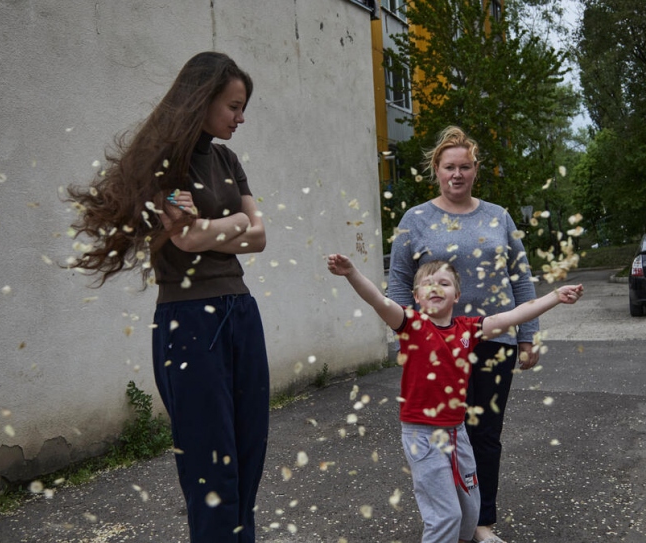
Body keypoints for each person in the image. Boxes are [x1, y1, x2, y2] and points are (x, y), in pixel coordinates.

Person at [66, 52, 269, 543]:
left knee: (247, 455)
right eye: (233, 106)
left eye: (243, 108)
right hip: (189, 321)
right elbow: (187, 240)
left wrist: (226, 228)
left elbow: (259, 238)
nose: (240, 118)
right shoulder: (165, 165)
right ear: (201, 100)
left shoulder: (227, 159)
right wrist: (238, 223)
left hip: (240, 311)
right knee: (211, 466)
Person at [327, 254, 582, 543]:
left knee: (469, 510)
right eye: (428, 284)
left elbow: (514, 315)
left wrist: (556, 296)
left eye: (444, 283)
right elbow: (378, 300)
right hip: (422, 435)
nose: (435, 288)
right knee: (444, 516)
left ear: (457, 295)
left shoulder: (468, 329)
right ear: (415, 296)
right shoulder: (410, 324)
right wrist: (351, 273)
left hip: (457, 432)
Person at [387, 125, 543, 543]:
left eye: (466, 167)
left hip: (494, 340)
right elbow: (399, 281)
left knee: (485, 434)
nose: (457, 174)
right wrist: (409, 333)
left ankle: (481, 523)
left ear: (476, 171)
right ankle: (445, 516)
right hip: (437, 348)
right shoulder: (415, 219)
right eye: (449, 167)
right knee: (441, 434)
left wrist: (528, 335)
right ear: (436, 170)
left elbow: (521, 279)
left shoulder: (498, 217)